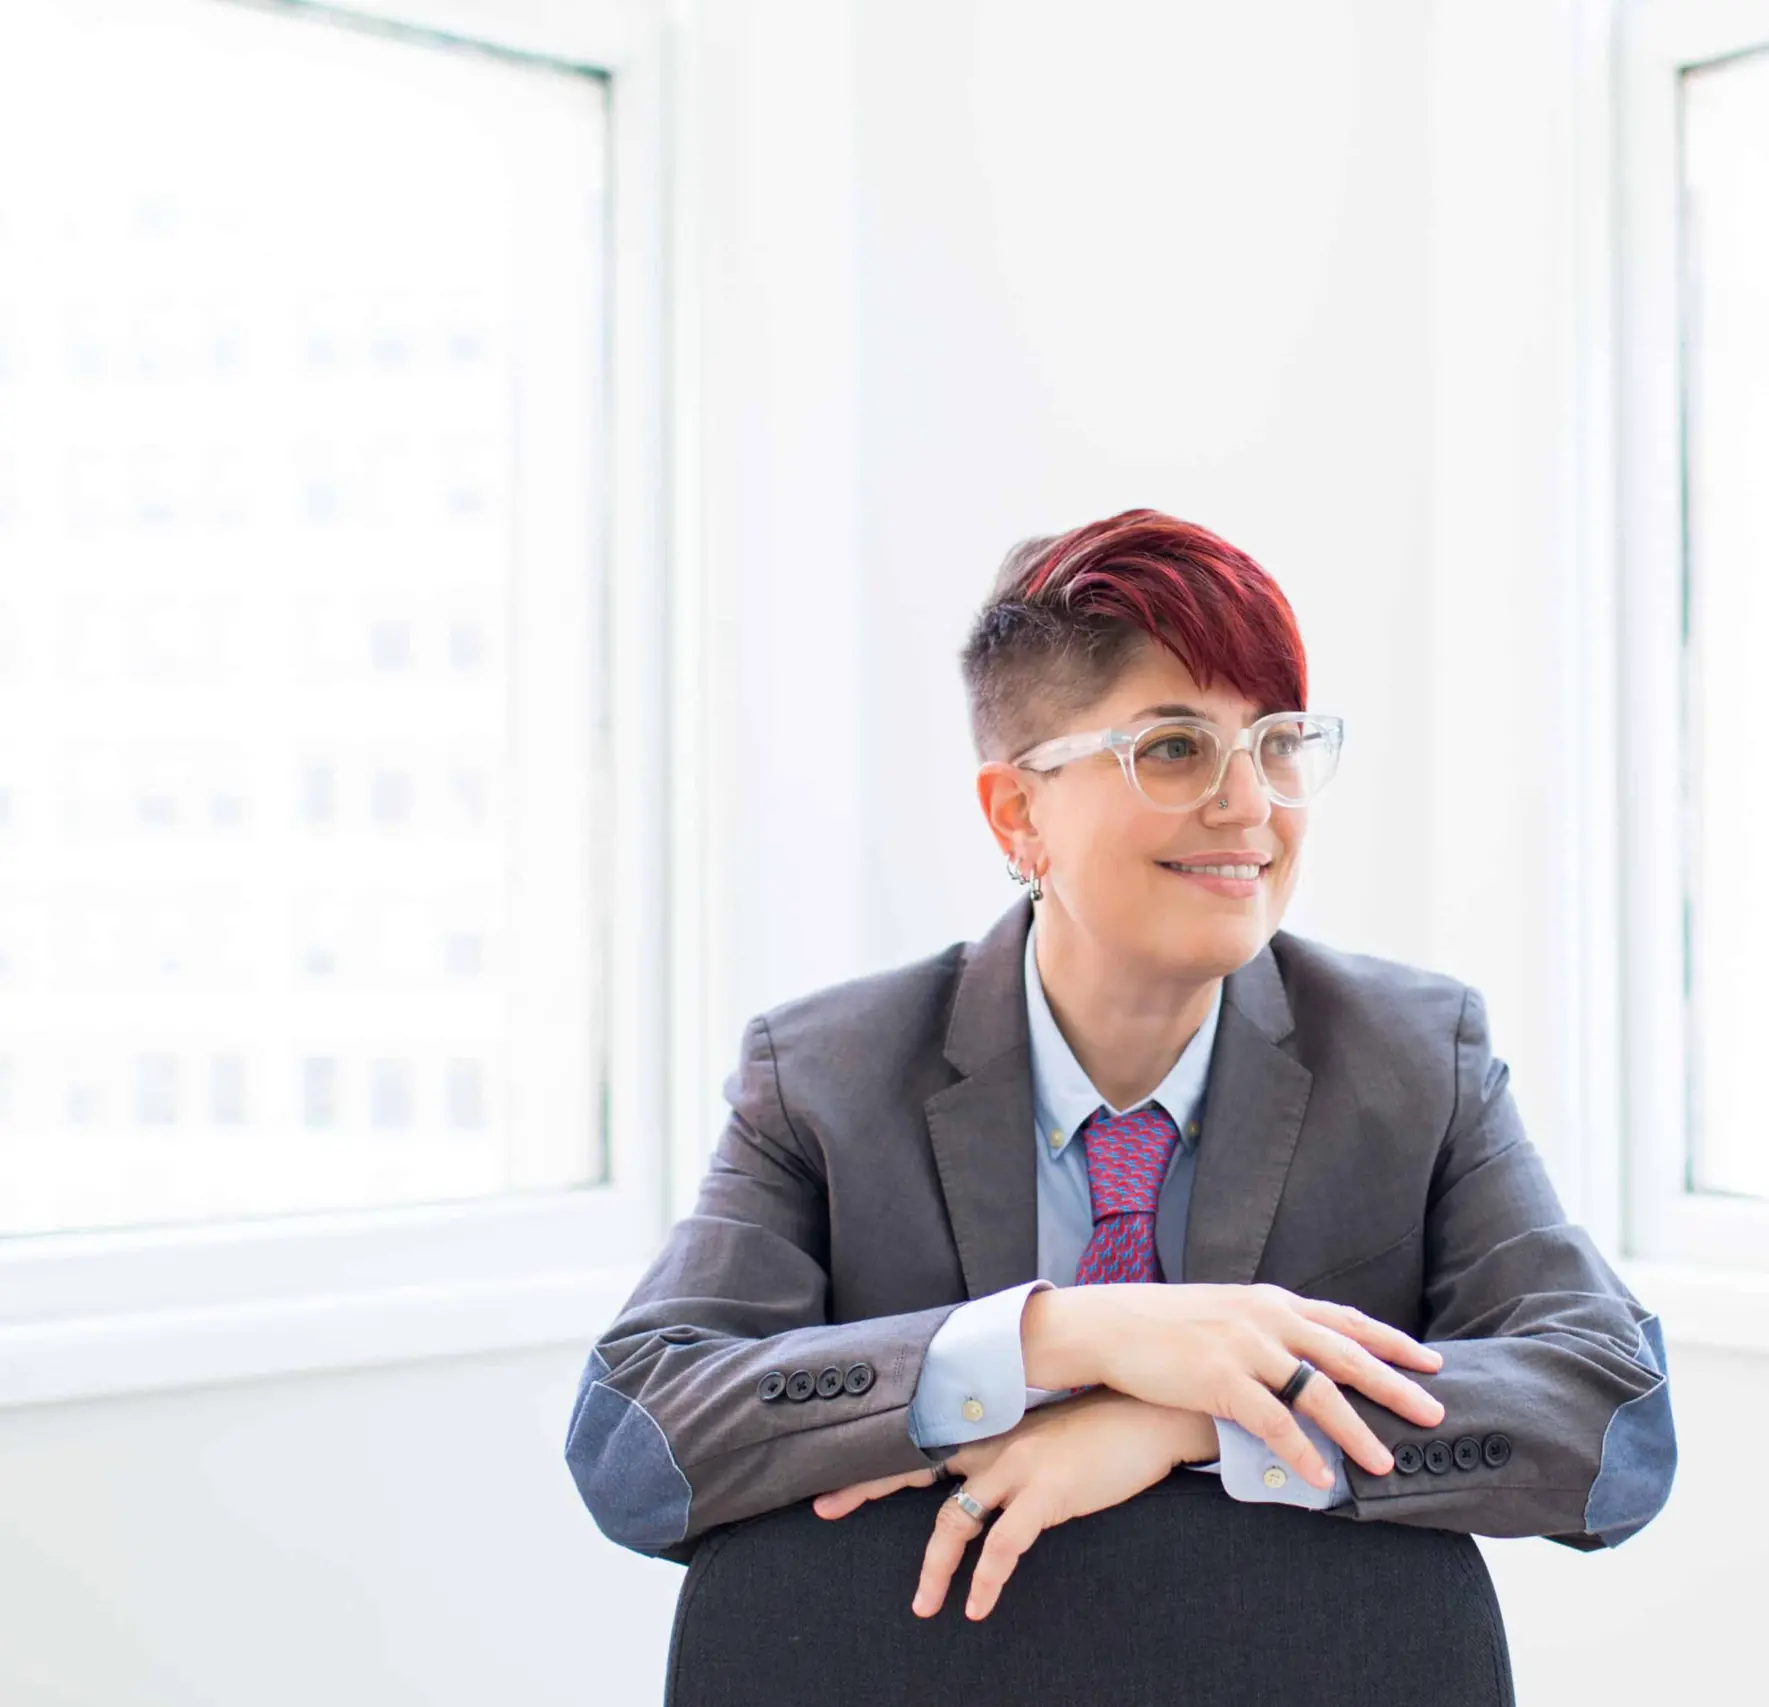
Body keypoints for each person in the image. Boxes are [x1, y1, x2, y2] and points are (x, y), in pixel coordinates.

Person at [563, 507, 1675, 1623]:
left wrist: (1203, 1412)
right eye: (1175, 748)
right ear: (1018, 814)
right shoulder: (825, 1075)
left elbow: (1613, 1419)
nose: (1251, 805)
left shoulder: (1414, 1057)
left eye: (1278, 743)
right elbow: (635, 1441)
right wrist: (1064, 1337)